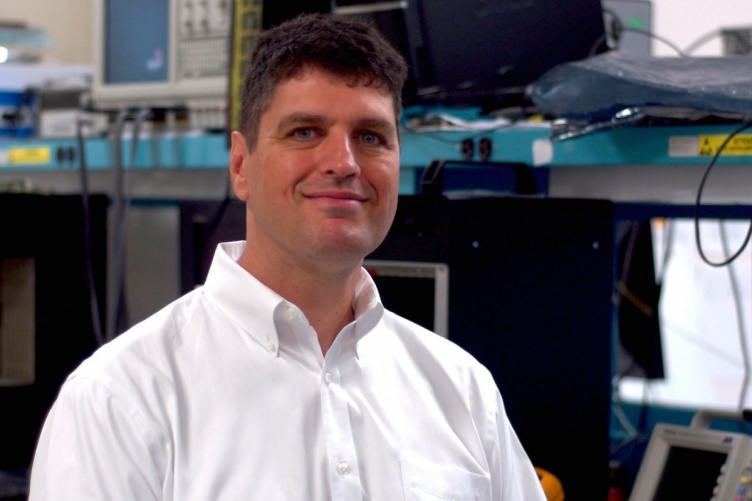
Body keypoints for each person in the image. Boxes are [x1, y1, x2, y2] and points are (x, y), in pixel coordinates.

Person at [29, 13, 546, 500]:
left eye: (370, 137)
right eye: (305, 132)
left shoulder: (462, 390)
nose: (343, 163)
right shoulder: (120, 402)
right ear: (240, 164)